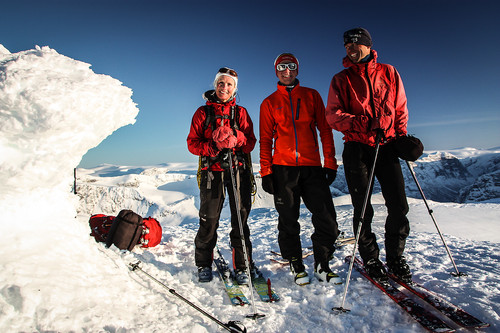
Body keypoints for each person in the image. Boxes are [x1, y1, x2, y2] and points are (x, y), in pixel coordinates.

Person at [325, 27, 412, 283]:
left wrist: (401, 137)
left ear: (367, 45)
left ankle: (396, 257)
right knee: (362, 208)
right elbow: (332, 115)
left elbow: (400, 107)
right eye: (347, 46)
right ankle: (371, 257)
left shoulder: (389, 72)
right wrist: (365, 123)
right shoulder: (340, 79)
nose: (351, 50)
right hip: (357, 147)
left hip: (386, 145)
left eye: (355, 45)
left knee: (398, 205)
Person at [260, 53, 342, 286]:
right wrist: (266, 171)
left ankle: (322, 265)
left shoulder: (311, 95)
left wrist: (330, 163)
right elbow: (265, 139)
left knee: (326, 217)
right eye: (282, 67)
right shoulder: (268, 102)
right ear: (276, 71)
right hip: (283, 169)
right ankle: (296, 263)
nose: (287, 71)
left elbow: (325, 130)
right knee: (288, 219)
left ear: (297, 69)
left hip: (312, 167)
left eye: (292, 66)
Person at [187, 67, 257, 284]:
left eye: (229, 84)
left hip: (238, 172)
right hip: (212, 173)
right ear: (215, 85)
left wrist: (235, 137)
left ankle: (243, 266)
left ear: (234, 89)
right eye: (221, 83)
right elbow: (192, 143)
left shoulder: (241, 113)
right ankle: (203, 264)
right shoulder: (202, 113)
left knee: (240, 219)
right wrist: (214, 146)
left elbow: (251, 142)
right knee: (209, 219)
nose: (224, 87)